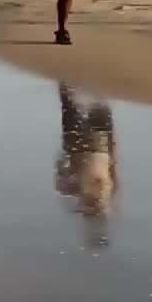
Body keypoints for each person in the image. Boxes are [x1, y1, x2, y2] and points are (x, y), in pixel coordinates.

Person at [55, 81, 117, 247]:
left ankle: (71, 81)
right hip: (92, 151)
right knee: (90, 110)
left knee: (75, 107)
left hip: (88, 150)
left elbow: (63, 176)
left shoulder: (88, 200)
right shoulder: (99, 201)